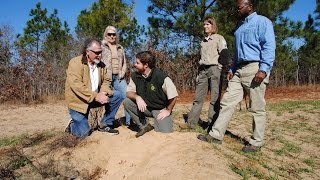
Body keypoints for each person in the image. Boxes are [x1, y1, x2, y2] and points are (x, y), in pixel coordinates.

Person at [197, 0, 276, 153]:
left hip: (255, 67)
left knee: (257, 107)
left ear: (250, 6)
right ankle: (216, 135)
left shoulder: (262, 22)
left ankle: (256, 142)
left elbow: (269, 46)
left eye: (239, 7)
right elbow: (237, 51)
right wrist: (232, 68)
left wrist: (263, 69)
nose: (237, 10)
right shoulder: (239, 27)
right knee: (227, 102)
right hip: (238, 69)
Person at [65, 38, 123, 138]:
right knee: (84, 133)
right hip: (79, 102)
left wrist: (104, 92)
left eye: (101, 52)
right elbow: (76, 85)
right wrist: (96, 96)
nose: (99, 55)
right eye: (96, 52)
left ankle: (105, 124)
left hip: (95, 99)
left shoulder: (102, 65)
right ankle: (72, 126)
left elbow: (106, 80)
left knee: (118, 95)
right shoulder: (75, 63)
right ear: (87, 52)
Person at [184, 16, 230, 129]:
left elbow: (224, 54)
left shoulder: (219, 38)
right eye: (204, 24)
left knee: (214, 98)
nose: (205, 26)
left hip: (214, 70)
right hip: (203, 71)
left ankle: (212, 125)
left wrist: (219, 67)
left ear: (213, 25)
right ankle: (191, 123)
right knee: (198, 98)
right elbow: (201, 58)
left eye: (207, 24)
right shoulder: (203, 42)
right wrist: (198, 74)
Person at [123, 51, 178, 138]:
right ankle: (144, 126)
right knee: (127, 102)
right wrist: (137, 97)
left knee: (165, 132)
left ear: (146, 65)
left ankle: (160, 122)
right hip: (144, 107)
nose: (135, 65)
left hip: (159, 109)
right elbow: (128, 92)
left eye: (137, 63)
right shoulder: (135, 76)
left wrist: (168, 110)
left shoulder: (161, 76)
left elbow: (174, 95)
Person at [101, 26, 131, 126]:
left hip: (118, 77)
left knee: (127, 95)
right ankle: (107, 122)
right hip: (106, 78)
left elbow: (124, 62)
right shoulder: (101, 46)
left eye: (114, 34)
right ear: (105, 35)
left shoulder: (120, 47)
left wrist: (122, 73)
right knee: (110, 98)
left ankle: (129, 122)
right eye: (109, 34)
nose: (112, 36)